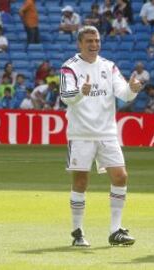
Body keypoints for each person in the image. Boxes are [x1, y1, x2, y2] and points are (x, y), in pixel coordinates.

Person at [60, 26, 142, 247]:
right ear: (80, 43)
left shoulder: (109, 66)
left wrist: (133, 89)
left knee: (120, 176)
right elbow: (65, 96)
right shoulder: (69, 68)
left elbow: (123, 94)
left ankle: (115, 230)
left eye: (96, 40)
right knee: (80, 181)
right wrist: (80, 92)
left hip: (107, 132)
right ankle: (77, 232)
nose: (94, 44)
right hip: (81, 133)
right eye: (89, 41)